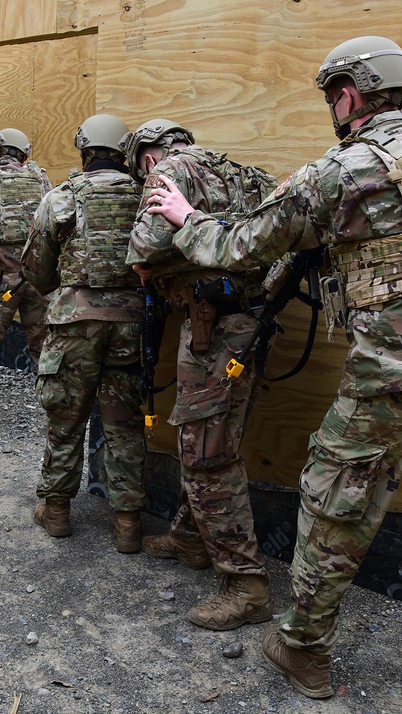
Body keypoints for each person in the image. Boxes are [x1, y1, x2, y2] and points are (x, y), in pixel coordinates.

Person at [145, 36, 402, 709]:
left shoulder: (342, 172)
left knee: (329, 511)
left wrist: (185, 216)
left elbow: (238, 246)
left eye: (331, 96)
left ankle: (302, 648)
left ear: (348, 94)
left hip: (393, 384)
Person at [126, 119, 277, 631]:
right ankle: (190, 538)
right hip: (251, 325)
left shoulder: (166, 172)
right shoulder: (246, 174)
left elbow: (144, 248)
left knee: (206, 453)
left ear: (147, 156)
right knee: (218, 436)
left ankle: (246, 584)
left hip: (211, 331)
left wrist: (154, 264)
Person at [21, 114, 148, 552]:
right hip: (131, 323)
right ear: (124, 151)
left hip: (74, 323)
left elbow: (36, 271)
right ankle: (128, 522)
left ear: (84, 149)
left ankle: (56, 511)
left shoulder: (61, 198)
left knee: (65, 417)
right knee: (125, 423)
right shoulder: (145, 196)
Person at [0, 128, 52, 433]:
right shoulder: (42, 178)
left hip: (0, 280)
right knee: (45, 346)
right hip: (38, 278)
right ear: (24, 154)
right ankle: (55, 411)